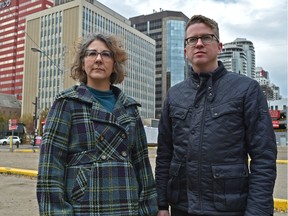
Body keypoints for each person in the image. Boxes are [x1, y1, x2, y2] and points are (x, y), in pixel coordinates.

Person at [155, 15, 277, 216]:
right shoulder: (174, 95)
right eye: (192, 40)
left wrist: (258, 212)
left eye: (206, 37)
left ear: (219, 46)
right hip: (182, 207)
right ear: (186, 51)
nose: (199, 43)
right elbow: (165, 154)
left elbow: (263, 156)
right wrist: (161, 204)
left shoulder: (247, 89)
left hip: (230, 209)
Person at [37, 33, 158, 215]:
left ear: (114, 64)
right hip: (85, 207)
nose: (99, 59)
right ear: (83, 62)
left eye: (106, 54)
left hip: (127, 205)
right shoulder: (67, 103)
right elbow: (50, 167)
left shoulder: (130, 108)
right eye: (91, 53)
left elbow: (142, 166)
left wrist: (148, 209)